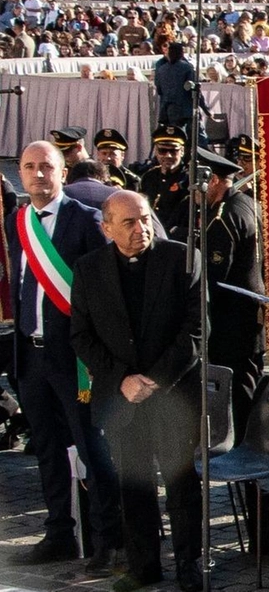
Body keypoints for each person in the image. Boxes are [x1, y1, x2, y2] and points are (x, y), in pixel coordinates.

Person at [69, 191, 201, 592]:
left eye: (144, 218)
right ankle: (144, 564)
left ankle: (189, 564)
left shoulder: (181, 258)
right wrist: (123, 379)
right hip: (121, 397)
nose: (140, 228)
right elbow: (82, 336)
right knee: (133, 484)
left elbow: (196, 330)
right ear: (106, 227)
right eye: (128, 222)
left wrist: (155, 379)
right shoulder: (89, 269)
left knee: (181, 485)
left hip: (172, 392)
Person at [6, 141, 123, 572]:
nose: (38, 174)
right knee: (49, 449)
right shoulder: (17, 220)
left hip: (75, 358)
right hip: (31, 355)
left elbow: (104, 294)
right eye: (29, 167)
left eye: (46, 167)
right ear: (20, 172)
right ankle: (59, 533)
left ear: (62, 172)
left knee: (93, 451)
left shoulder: (87, 221)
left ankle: (109, 539)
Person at [194, 148, 265, 439]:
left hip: (230, 320)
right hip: (244, 316)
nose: (193, 192)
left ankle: (248, 456)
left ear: (212, 181)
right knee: (246, 386)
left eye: (196, 183)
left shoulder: (223, 217)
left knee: (240, 394)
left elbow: (212, 277)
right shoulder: (244, 203)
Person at [139, 124, 190, 240]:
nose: (168, 155)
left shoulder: (189, 179)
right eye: (163, 151)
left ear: (182, 151)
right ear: (156, 152)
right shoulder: (148, 177)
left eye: (173, 151)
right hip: (151, 236)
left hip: (176, 238)